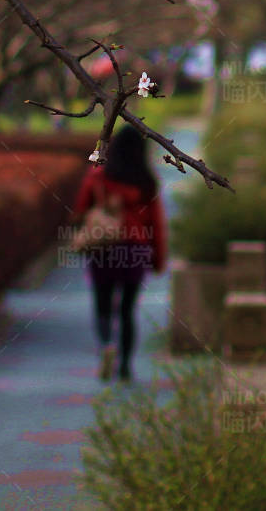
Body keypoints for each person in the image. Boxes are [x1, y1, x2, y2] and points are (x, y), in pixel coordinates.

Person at [71, 125, 166, 382]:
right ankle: (125, 366)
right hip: (136, 249)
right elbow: (155, 224)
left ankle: (106, 346)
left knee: (102, 305)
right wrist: (157, 259)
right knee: (127, 310)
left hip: (104, 248)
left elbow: (80, 211)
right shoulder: (146, 182)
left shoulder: (98, 178)